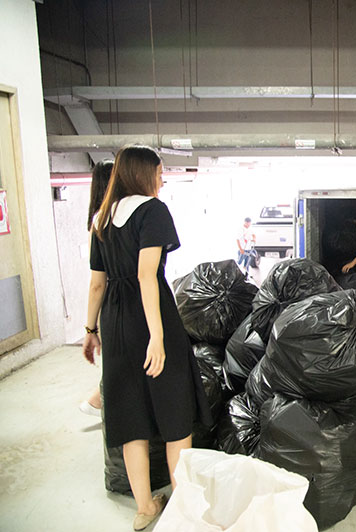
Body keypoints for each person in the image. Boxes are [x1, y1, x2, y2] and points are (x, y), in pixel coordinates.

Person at [82, 145, 212, 530]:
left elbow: (96, 283)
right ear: (143, 173)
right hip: (150, 316)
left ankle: (145, 508)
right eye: (158, 171)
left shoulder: (101, 219)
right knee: (175, 413)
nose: (161, 178)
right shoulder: (152, 211)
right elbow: (145, 275)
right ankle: (183, 505)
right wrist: (157, 336)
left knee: (130, 414)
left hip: (116, 322)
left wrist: (90, 331)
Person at [79, 159, 114, 418]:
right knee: (117, 363)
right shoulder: (102, 222)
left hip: (111, 301)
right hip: (113, 301)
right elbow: (97, 283)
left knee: (117, 362)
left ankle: (98, 401)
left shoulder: (102, 219)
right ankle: (97, 401)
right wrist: (91, 328)